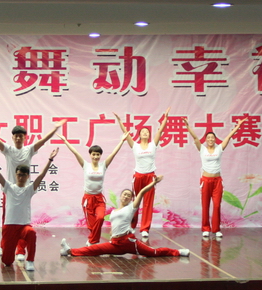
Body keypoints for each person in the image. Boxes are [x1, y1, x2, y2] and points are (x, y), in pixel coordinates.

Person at [0, 117, 66, 255]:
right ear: (12, 137)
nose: (18, 138)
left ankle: (21, 250)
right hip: (9, 190)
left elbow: (44, 140)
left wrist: (55, 129)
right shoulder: (8, 149)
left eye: (21, 136)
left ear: (25, 138)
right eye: (16, 136)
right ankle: (4, 245)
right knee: (7, 220)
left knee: (24, 221)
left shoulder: (29, 150)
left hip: (25, 191)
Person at [60, 179, 189, 259]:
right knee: (94, 249)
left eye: (129, 195)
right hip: (115, 243)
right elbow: (114, 227)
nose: (126, 196)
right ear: (121, 196)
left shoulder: (131, 208)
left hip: (129, 242)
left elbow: (141, 193)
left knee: (153, 253)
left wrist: (153, 183)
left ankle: (178, 252)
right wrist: (111, 236)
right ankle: (69, 251)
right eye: (124, 194)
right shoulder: (114, 212)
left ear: (131, 199)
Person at [0, 143, 59, 272]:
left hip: (24, 226)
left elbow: (41, 176)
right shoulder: (8, 187)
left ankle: (30, 261)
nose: (20, 177)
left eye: (23, 175)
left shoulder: (29, 189)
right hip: (10, 226)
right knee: (7, 262)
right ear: (15, 175)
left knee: (32, 233)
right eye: (18, 174)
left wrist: (50, 160)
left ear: (27, 176)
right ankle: (9, 256)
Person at [58, 130, 128, 245]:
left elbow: (113, 154)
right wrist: (65, 141)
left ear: (100, 155)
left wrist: (121, 141)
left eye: (98, 154)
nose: (96, 156)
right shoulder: (86, 165)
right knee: (91, 225)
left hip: (99, 199)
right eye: (93, 154)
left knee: (100, 218)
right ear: (90, 155)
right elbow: (75, 152)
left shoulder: (103, 165)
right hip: (88, 199)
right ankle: (93, 241)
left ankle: (92, 241)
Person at [183, 116, 248, 238]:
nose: (210, 139)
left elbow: (229, 136)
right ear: (206, 140)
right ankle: (205, 228)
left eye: (212, 137)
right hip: (205, 180)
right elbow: (195, 137)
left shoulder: (219, 149)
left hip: (217, 181)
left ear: (215, 139)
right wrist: (187, 126)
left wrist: (238, 126)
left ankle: (216, 229)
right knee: (205, 205)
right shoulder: (202, 149)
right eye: (208, 138)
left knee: (217, 205)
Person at [115, 108, 169, 238]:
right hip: (138, 176)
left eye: (147, 132)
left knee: (148, 203)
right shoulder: (135, 146)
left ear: (149, 135)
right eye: (142, 131)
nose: (145, 133)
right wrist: (120, 120)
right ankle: (132, 226)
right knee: (135, 202)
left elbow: (160, 131)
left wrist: (165, 118)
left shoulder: (152, 145)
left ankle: (145, 229)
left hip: (150, 176)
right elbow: (126, 133)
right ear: (139, 135)